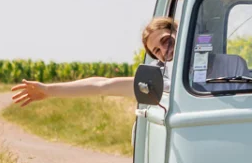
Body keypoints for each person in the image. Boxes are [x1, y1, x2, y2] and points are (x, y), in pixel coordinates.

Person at [9, 16, 174, 104]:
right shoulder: (159, 75)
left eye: (166, 41)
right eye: (157, 51)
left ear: (177, 31)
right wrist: (48, 89)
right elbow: (102, 86)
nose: (165, 51)